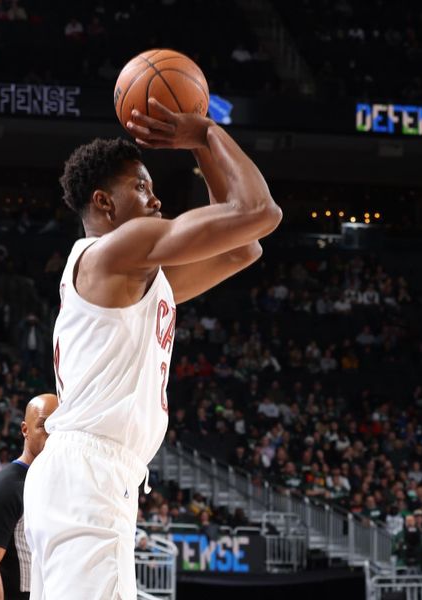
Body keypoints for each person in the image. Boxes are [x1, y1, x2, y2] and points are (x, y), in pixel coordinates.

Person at [24, 99, 281, 599]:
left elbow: (244, 245)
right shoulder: (116, 252)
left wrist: (201, 151)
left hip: (88, 475)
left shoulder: (135, 275)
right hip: (89, 475)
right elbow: (261, 212)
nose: (156, 200)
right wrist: (205, 132)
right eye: (141, 187)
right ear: (104, 202)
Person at [0, 393, 58, 600]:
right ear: (25, 430)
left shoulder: (57, 484)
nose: (52, 434)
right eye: (43, 426)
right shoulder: (6, 486)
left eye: (58, 427)